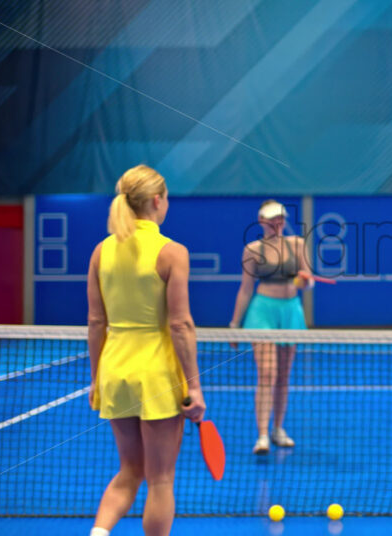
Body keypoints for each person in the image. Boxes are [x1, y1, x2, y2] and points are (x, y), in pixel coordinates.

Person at [87, 165, 205, 536]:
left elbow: (95, 323)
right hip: (156, 375)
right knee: (160, 480)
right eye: (167, 197)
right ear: (158, 201)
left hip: (115, 371)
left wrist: (96, 380)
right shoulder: (172, 252)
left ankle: (98, 533)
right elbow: (180, 324)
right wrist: (194, 386)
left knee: (129, 471)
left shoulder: (100, 251)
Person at [229, 200, 314, 455]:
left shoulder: (298, 244)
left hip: (290, 312)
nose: (276, 223)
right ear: (261, 221)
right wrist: (234, 325)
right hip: (262, 312)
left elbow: (307, 283)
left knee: (283, 376)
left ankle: (278, 429)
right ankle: (263, 435)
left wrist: (304, 281)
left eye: (280, 219)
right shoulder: (252, 250)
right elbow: (245, 290)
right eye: (271, 219)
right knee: (267, 373)